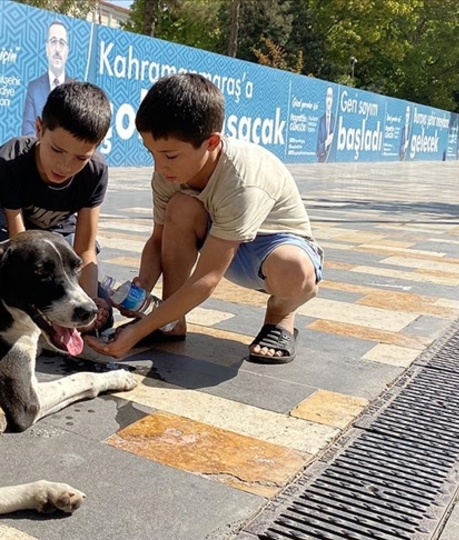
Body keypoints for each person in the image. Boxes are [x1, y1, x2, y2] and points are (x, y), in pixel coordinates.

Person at [86, 74, 324, 364]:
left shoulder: (241, 180)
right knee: (182, 206)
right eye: (152, 154)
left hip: (273, 245)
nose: (160, 167)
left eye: (170, 156)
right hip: (221, 237)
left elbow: (207, 278)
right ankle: (171, 323)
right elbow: (158, 240)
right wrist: (143, 286)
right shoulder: (168, 174)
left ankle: (281, 316)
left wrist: (137, 331)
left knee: (294, 270)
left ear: (211, 142)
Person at [0, 81, 113, 333]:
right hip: (13, 241)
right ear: (39, 129)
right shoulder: (11, 160)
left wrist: (88, 308)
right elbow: (20, 242)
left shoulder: (96, 171)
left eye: (81, 157)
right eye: (57, 150)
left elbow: (85, 248)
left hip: (61, 242)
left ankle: (90, 286)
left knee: (103, 315)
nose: (65, 166)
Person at [21, 21, 74, 137]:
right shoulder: (34, 88)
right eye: (53, 41)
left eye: (62, 43)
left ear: (67, 51)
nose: (57, 49)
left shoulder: (75, 89)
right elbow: (27, 133)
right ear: (46, 48)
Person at [315, 86, 334, 162]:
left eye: (331, 97)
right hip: (321, 161)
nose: (329, 100)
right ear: (325, 99)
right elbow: (318, 150)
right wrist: (327, 142)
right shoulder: (321, 120)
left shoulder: (335, 121)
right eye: (327, 97)